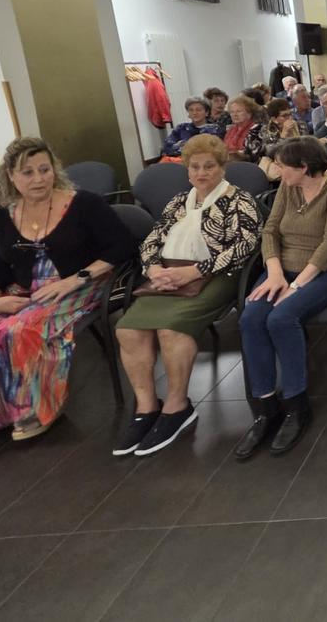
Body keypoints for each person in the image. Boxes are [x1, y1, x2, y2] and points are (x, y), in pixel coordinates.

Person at [114, 135, 261, 455]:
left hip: (217, 276)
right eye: (194, 167)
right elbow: (152, 241)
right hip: (167, 276)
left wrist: (195, 272)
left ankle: (178, 407)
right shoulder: (178, 201)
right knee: (127, 329)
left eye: (209, 166)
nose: (201, 172)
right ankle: (147, 407)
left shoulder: (239, 200)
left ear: (223, 168)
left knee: (171, 330)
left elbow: (245, 247)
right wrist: (154, 271)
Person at [0, 138, 136, 440]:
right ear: (11, 176)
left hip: (83, 283)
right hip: (25, 290)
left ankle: (35, 410)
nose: (38, 179)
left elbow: (123, 246)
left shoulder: (84, 203)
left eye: (44, 169)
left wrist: (75, 278)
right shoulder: (1, 217)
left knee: (22, 329)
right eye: (27, 172)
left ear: (54, 170)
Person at [234, 137, 327, 460]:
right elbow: (270, 230)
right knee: (250, 318)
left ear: (304, 168)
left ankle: (296, 405)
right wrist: (275, 274)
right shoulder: (288, 187)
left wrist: (296, 286)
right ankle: (265, 408)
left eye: (282, 165)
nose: (276, 170)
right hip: (283, 268)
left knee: (281, 317)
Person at [223, 94, 265, 163]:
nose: (235, 114)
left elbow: (252, 156)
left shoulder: (256, 129)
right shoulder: (230, 130)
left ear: (249, 114)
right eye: (232, 112)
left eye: (239, 111)